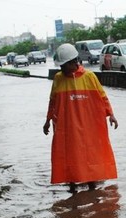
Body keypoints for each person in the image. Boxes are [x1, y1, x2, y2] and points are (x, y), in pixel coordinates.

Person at [43, 43, 118, 191]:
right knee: (69, 154)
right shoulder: (58, 78)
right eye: (61, 66)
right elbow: (53, 101)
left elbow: (102, 97)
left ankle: (92, 185)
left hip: (88, 126)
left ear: (73, 62)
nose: (61, 69)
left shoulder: (89, 76)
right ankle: (72, 187)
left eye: (63, 65)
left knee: (90, 153)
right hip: (67, 127)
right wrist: (47, 120)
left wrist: (111, 114)